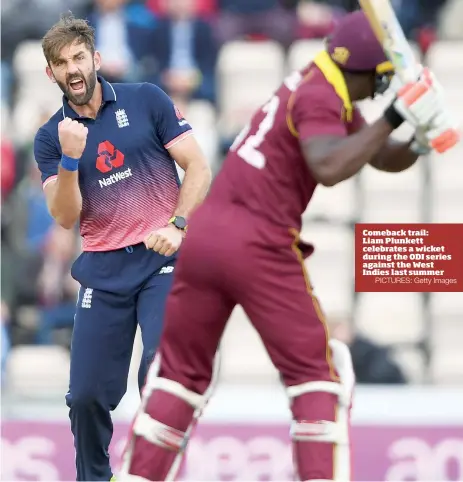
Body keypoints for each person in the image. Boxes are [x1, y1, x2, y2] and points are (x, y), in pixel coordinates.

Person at [119, 10, 459, 482]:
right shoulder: (321, 97)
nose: (381, 90)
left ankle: (136, 476)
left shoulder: (324, 79)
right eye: (381, 82)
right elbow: (328, 165)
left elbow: (375, 152)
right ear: (366, 71)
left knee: (180, 376)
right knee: (320, 376)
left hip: (205, 240)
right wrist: (398, 113)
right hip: (256, 242)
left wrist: (418, 138)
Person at [33, 14, 211, 481]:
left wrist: (178, 225)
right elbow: (66, 216)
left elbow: (198, 167)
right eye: (60, 63)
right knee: (86, 396)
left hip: (162, 259)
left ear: (95, 59)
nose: (72, 70)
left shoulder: (145, 98)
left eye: (77, 58)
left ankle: (153, 473)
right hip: (103, 268)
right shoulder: (52, 136)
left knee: (159, 372)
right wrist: (71, 157)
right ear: (50, 74)